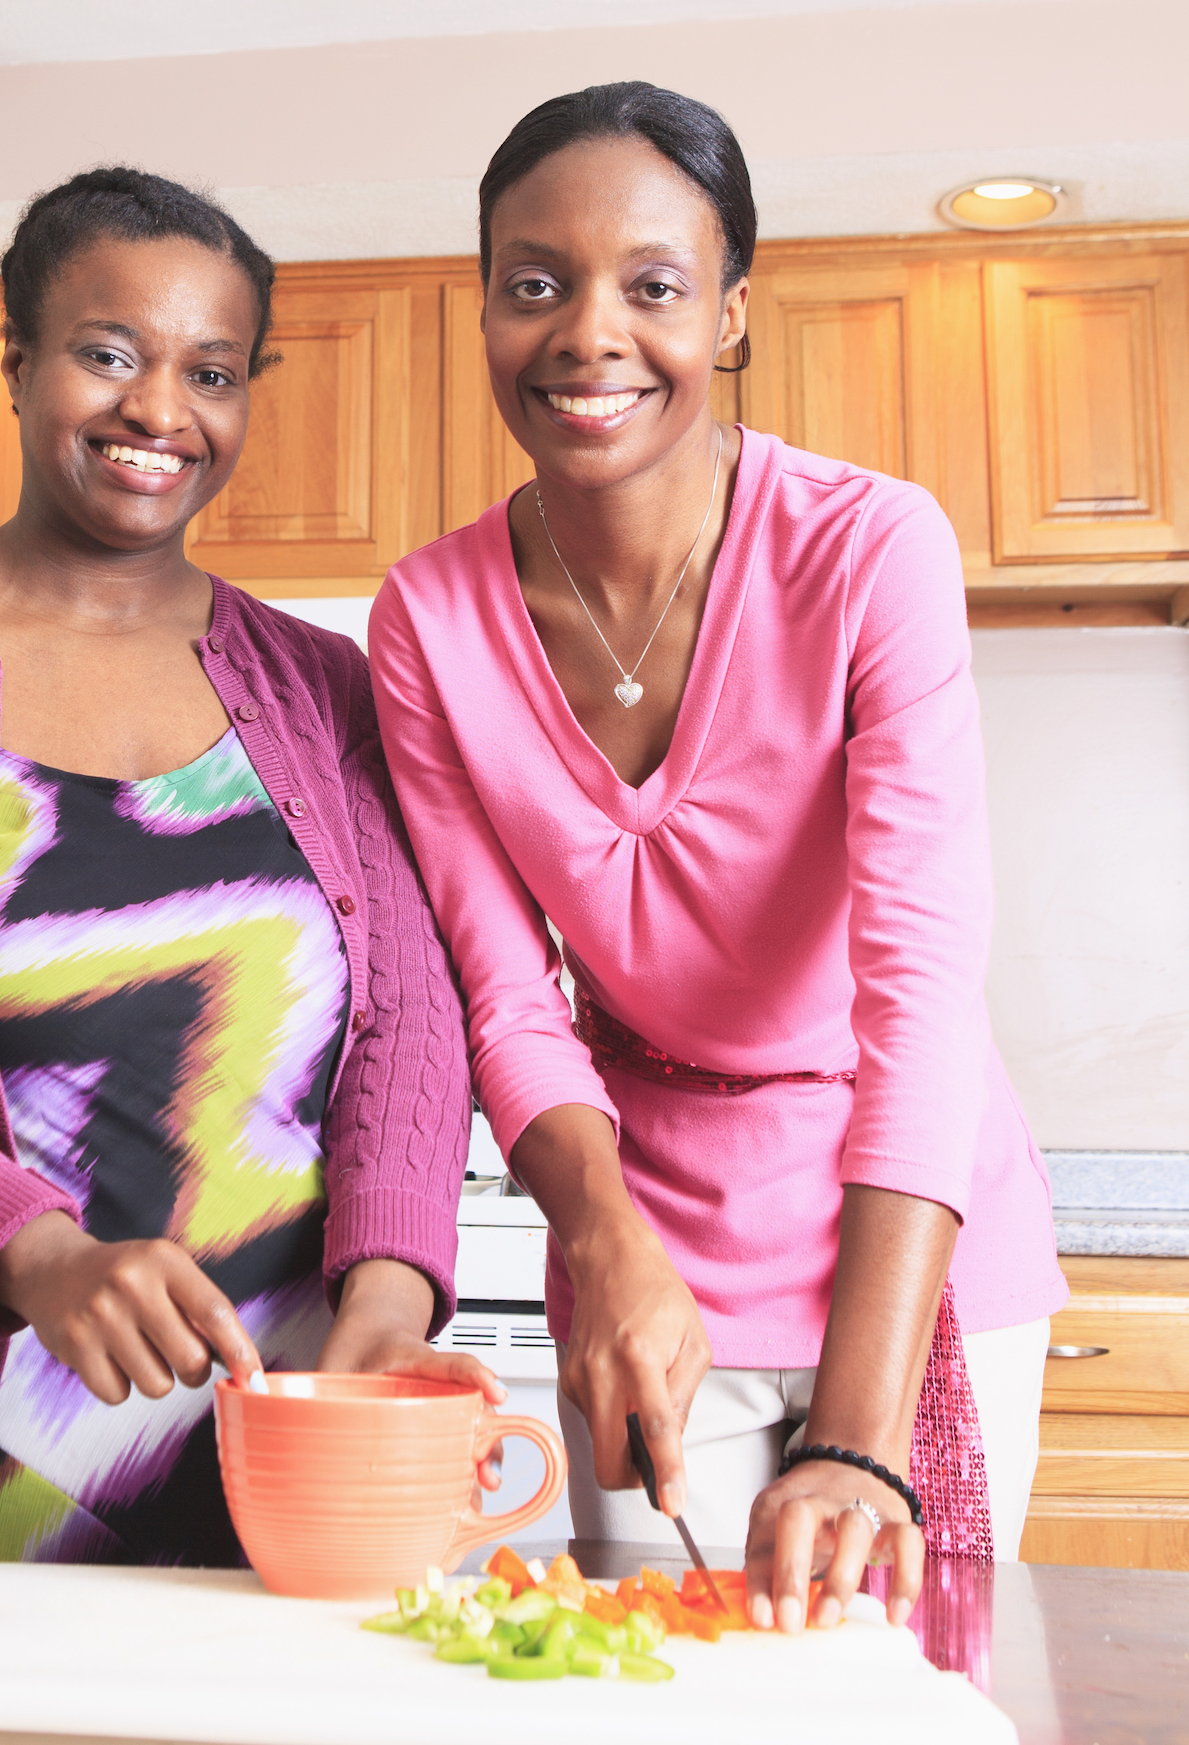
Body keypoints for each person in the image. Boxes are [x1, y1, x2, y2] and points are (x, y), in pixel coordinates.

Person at [0, 168, 491, 1634]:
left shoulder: (325, 695)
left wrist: (389, 1292)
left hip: (292, 1446)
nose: (158, 411)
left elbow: (410, 1021)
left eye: (212, 372)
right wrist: (36, 1254)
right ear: (16, 361)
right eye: (110, 352)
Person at [368, 84, 1066, 1633]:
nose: (588, 334)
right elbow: (506, 993)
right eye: (533, 282)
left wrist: (859, 1437)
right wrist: (606, 1244)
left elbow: (920, 995)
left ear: (733, 311)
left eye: (654, 286)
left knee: (900, 1688)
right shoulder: (430, 617)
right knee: (667, 1685)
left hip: (907, 1238)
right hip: (648, 1250)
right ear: (483, 307)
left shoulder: (871, 548)